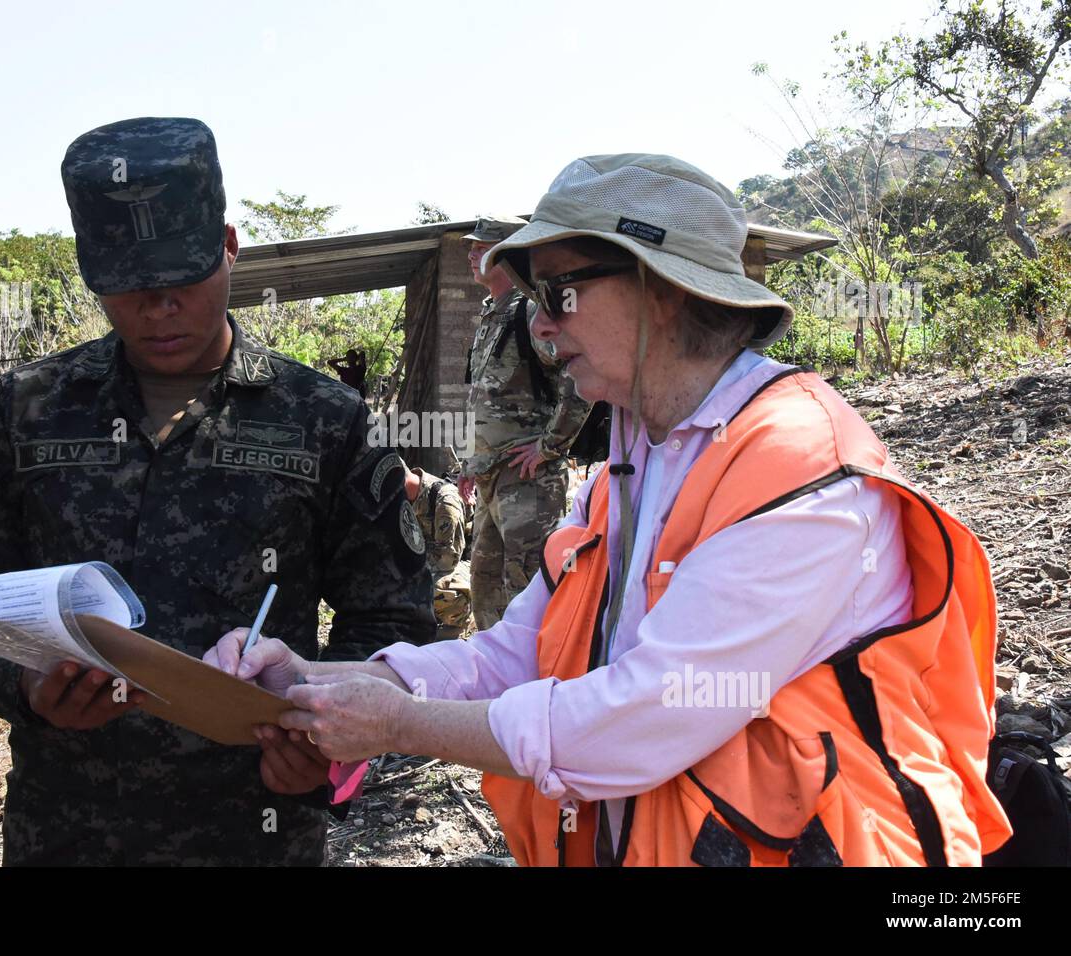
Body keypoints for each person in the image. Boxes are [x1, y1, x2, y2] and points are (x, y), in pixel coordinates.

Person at [208, 154, 1011, 866]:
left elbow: (642, 716)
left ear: (662, 291)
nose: (544, 325)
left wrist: (396, 726)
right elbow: (515, 652)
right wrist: (326, 681)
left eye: (559, 293)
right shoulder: (630, 463)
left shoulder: (799, 469)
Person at [0, 117, 434, 866]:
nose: (158, 307)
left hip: (256, 832)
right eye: (129, 286)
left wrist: (331, 742)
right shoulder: (25, 411)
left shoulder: (324, 420)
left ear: (228, 246)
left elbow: (393, 621)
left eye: (181, 278)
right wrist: (23, 685)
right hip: (66, 834)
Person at [460, 215, 593, 631]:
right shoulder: (491, 313)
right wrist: (470, 463)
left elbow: (580, 376)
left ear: (507, 256)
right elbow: (483, 398)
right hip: (490, 480)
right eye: (473, 246)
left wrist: (550, 445)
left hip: (527, 479)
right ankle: (493, 682)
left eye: (482, 248)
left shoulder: (532, 312)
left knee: (529, 590)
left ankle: (539, 684)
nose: (471, 254)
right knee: (484, 588)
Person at [403, 465, 471, 640]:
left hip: (469, 565)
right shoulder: (404, 499)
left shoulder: (445, 500)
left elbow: (447, 559)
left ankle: (460, 619)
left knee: (432, 586)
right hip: (430, 562)